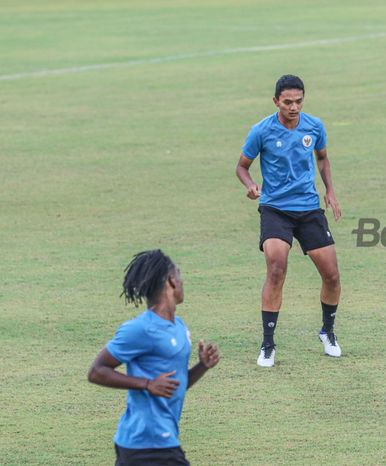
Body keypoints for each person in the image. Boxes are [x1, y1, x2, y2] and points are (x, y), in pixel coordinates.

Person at [236, 74, 342, 367]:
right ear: (276, 102)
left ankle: (328, 332)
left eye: (298, 101)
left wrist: (330, 191)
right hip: (275, 209)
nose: (293, 107)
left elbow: (322, 158)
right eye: (287, 102)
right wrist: (250, 185)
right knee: (276, 267)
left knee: (331, 275)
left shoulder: (314, 126)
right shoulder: (261, 131)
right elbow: (242, 166)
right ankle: (268, 344)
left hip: (308, 209)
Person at [88, 250, 220, 466]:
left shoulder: (179, 328)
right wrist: (147, 384)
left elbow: (174, 385)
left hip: (159, 439)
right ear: (171, 281)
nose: (182, 280)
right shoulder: (140, 329)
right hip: (146, 443)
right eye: (179, 274)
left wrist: (202, 367)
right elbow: (97, 371)